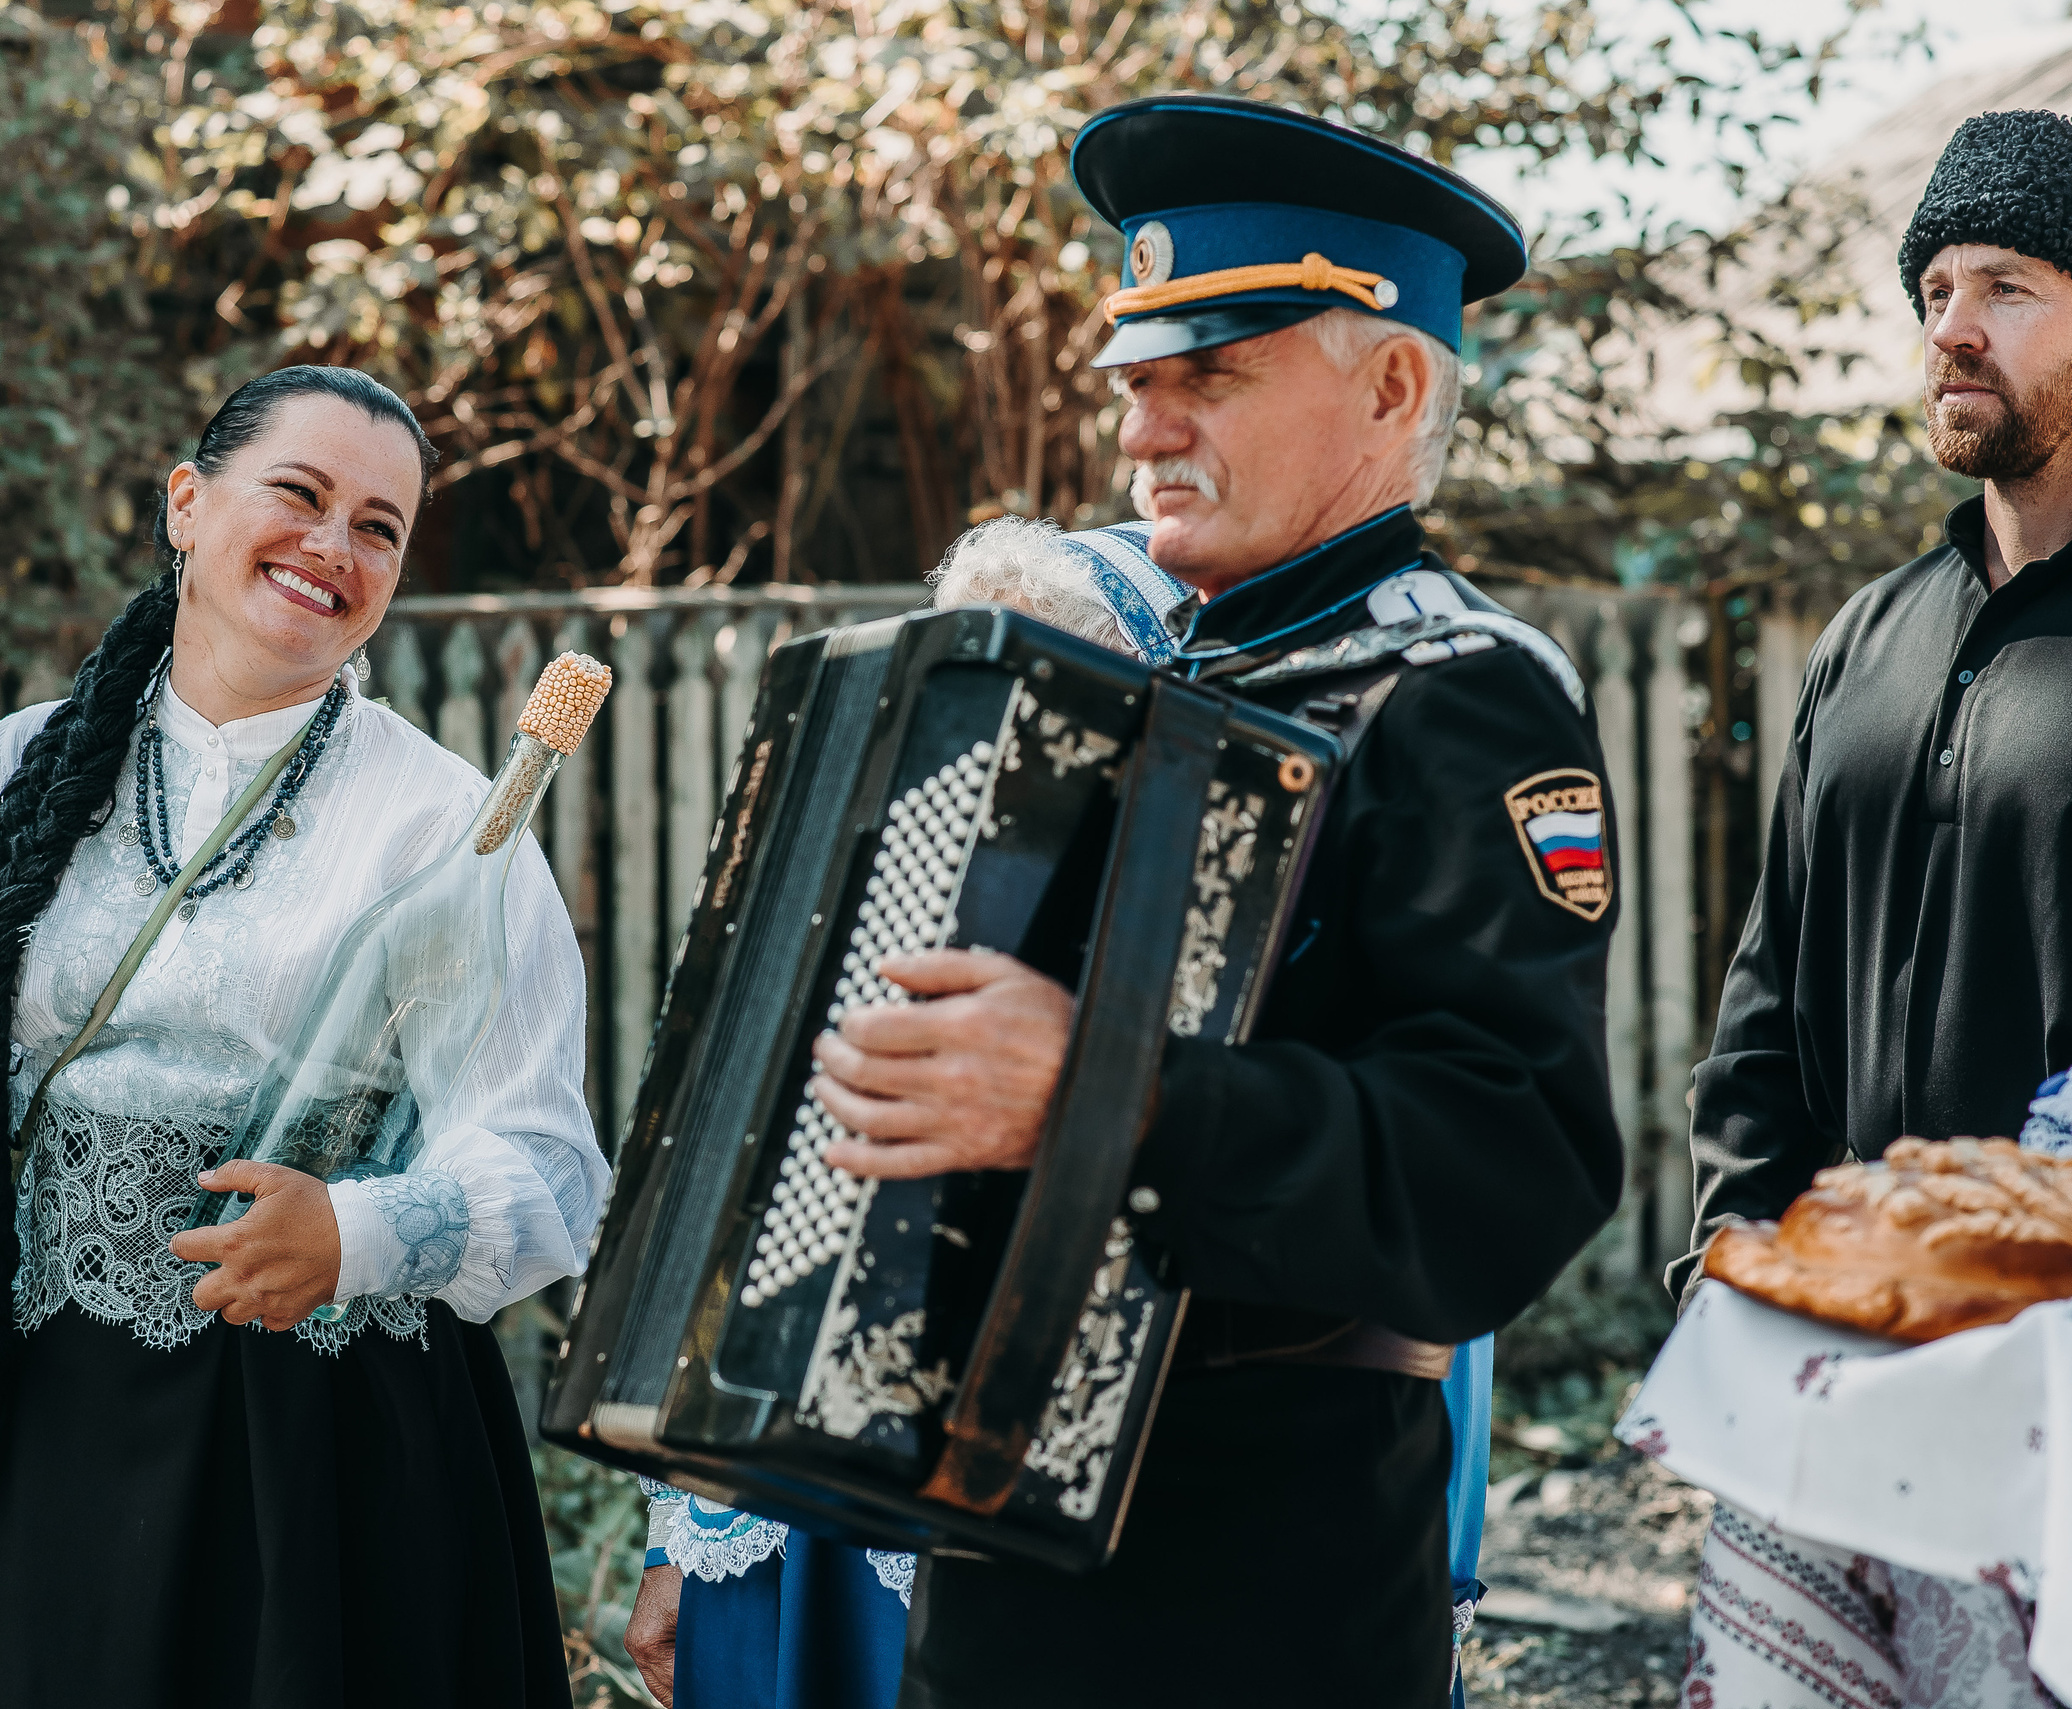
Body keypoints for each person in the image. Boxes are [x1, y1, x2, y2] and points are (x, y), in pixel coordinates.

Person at [817, 94, 1623, 1708]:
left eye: (1212, 376)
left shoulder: (1454, 697)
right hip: (991, 1504)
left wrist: (1101, 1090)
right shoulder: (1099, 676)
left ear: (1392, 384)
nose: (1141, 433)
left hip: (1264, 1561)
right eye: (1137, 383)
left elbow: (1507, 1170)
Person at [0, 366, 604, 1708]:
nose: (333, 548)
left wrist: (351, 1235)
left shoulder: (445, 824)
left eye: (379, 526)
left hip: (329, 1439)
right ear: (188, 504)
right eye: (298, 495)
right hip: (48, 1417)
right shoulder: (20, 769)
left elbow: (551, 1175)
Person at [619, 518, 1186, 1709]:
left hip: (1027, 1521)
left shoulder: (1182, 941)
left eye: (1046, 685)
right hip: (789, 1508)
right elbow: (721, 1221)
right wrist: (681, 1536)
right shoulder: (844, 893)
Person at [1668, 108, 2072, 1706]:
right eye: (1934, 289)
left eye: (2011, 285)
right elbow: (1765, 993)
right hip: (1828, 1366)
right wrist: (1732, 1259)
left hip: (2050, 1395)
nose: (1951, 328)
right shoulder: (1867, 638)